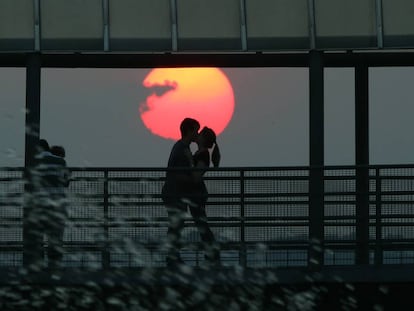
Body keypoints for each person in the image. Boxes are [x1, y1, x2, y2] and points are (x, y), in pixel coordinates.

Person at [162, 118, 200, 266]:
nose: (197, 134)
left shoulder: (181, 147)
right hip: (174, 193)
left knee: (176, 225)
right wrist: (191, 178)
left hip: (174, 193)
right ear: (189, 131)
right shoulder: (182, 149)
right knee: (176, 225)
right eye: (195, 130)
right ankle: (172, 257)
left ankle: (172, 255)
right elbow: (177, 173)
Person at [27, 139, 70, 269]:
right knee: (56, 237)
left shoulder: (34, 162)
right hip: (58, 204)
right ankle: (55, 267)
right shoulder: (61, 162)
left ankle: (38, 266)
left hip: (40, 204)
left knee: (38, 236)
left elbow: (31, 183)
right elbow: (66, 182)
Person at [190, 126, 221, 265]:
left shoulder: (203, 154)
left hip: (197, 194)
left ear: (203, 138)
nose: (197, 134)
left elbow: (197, 176)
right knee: (202, 224)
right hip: (197, 193)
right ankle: (211, 253)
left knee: (202, 225)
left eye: (200, 133)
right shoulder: (201, 152)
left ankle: (213, 254)